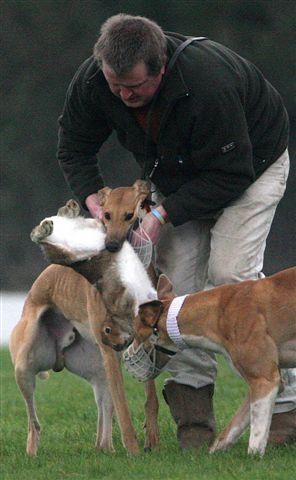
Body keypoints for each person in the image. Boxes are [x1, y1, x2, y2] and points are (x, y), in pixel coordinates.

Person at [57, 13, 296, 449]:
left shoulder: (209, 83)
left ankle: (284, 403)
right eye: (116, 87)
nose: (125, 96)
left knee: (231, 275)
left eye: (135, 88)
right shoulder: (96, 79)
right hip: (179, 179)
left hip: (250, 169)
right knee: (174, 295)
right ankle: (194, 417)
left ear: (161, 68)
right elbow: (73, 145)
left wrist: (160, 217)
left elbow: (231, 173)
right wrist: (94, 200)